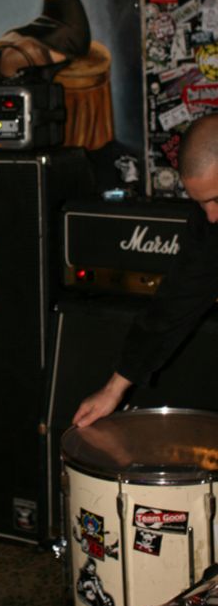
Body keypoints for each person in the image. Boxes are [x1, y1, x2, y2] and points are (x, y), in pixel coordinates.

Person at [73, 113, 218, 429]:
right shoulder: (210, 225)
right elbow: (176, 301)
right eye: (201, 203)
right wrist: (114, 389)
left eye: (216, 200)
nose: (211, 215)